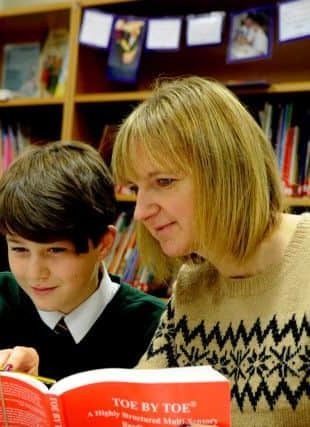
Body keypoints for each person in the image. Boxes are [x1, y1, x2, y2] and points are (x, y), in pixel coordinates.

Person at [111, 76, 310, 426]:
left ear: (224, 170)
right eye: (136, 188)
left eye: (164, 182)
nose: (141, 211)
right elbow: (139, 409)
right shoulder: (192, 285)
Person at [0, 141, 164, 392]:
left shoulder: (156, 323)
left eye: (55, 251)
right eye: (19, 249)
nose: (35, 273)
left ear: (104, 244)